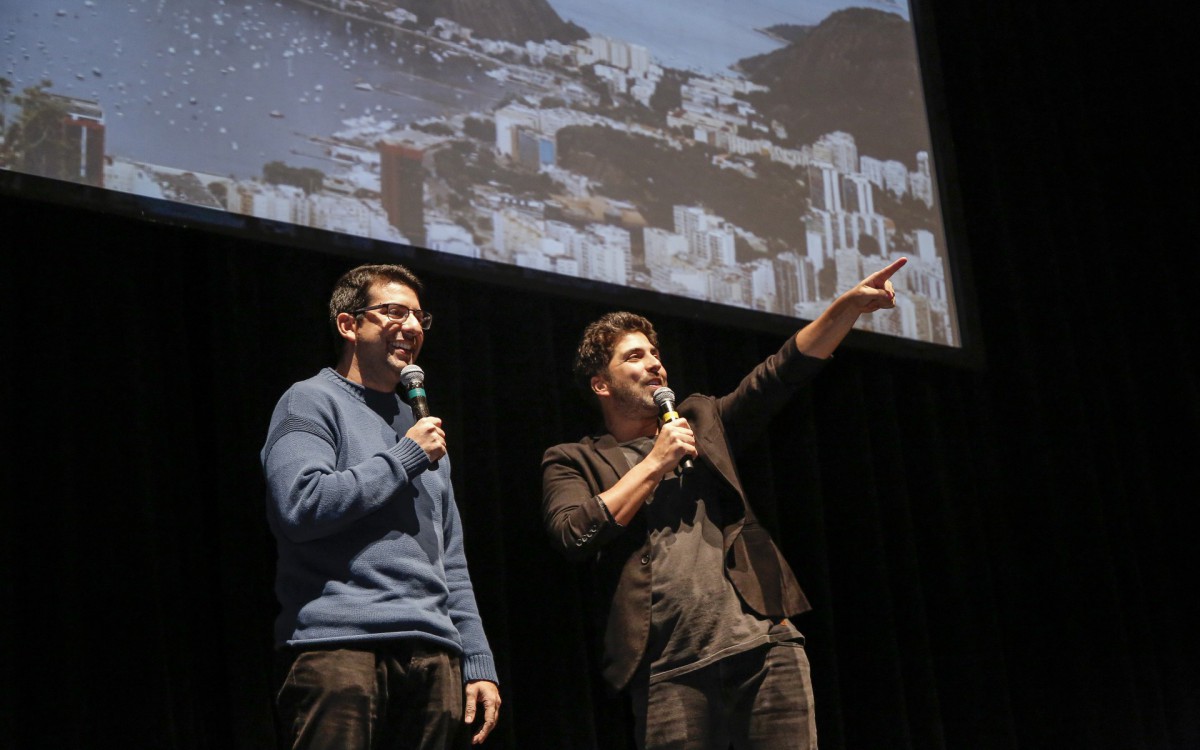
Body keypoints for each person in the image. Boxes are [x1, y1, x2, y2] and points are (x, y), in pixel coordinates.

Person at [541, 257, 908, 749]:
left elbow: (778, 375)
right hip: (669, 673)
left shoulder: (700, 419)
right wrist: (655, 462)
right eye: (634, 356)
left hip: (764, 649)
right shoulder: (573, 460)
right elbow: (572, 533)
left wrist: (845, 310)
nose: (654, 362)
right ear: (601, 385)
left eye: (654, 353)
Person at [261, 263, 501, 749]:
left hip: (435, 656)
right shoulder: (310, 401)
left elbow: (449, 561)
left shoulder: (422, 428)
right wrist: (405, 456)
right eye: (394, 312)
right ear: (349, 325)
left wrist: (477, 658)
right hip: (340, 649)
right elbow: (302, 506)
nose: (412, 327)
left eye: (418, 317)